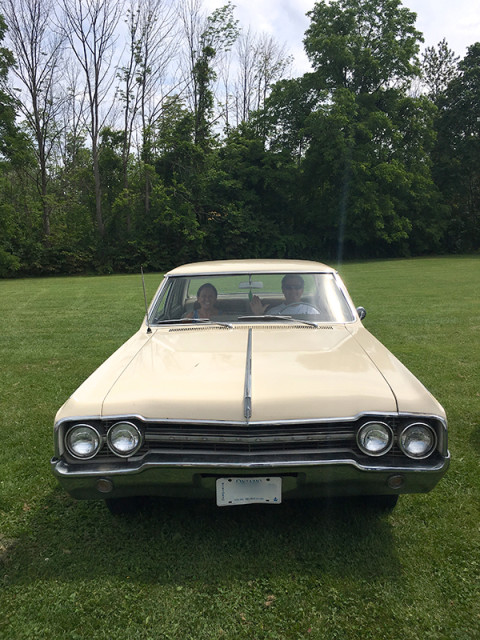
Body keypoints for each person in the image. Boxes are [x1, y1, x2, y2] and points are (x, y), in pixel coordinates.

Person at [250, 275, 318, 315]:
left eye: (297, 287)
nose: (293, 291)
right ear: (283, 289)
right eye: (288, 287)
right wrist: (259, 315)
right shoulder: (273, 312)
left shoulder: (312, 311)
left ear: (302, 290)